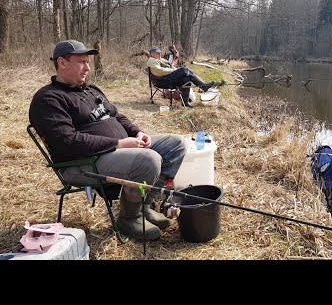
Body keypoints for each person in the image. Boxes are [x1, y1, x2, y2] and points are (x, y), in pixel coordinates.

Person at [29, 39, 187, 242]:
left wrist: (137, 133)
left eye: (88, 62)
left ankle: (145, 205)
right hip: (82, 164)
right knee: (149, 160)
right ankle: (130, 217)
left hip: (119, 150)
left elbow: (117, 116)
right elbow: (67, 141)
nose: (88, 67)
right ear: (62, 62)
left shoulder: (91, 89)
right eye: (82, 62)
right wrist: (119, 144)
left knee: (175, 144)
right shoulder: (49, 99)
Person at [146, 46, 225, 107]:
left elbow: (169, 67)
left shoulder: (159, 59)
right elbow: (160, 71)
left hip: (167, 78)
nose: (159, 54)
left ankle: (185, 103)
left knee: (186, 79)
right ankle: (203, 85)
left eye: (159, 52)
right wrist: (175, 71)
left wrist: (175, 69)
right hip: (162, 81)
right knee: (184, 70)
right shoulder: (151, 61)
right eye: (157, 53)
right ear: (152, 53)